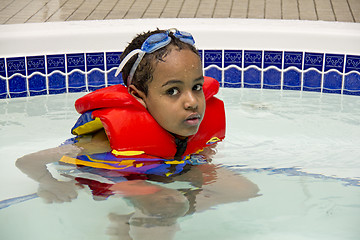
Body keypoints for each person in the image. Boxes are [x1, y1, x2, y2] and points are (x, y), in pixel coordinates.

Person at [16, 29, 259, 240]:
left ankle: (142, 216)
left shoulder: (183, 123)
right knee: (168, 206)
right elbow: (27, 161)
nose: (192, 102)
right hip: (122, 176)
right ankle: (135, 224)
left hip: (165, 168)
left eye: (196, 87)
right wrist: (50, 183)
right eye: (173, 91)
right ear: (139, 96)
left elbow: (196, 156)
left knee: (244, 190)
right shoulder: (104, 140)